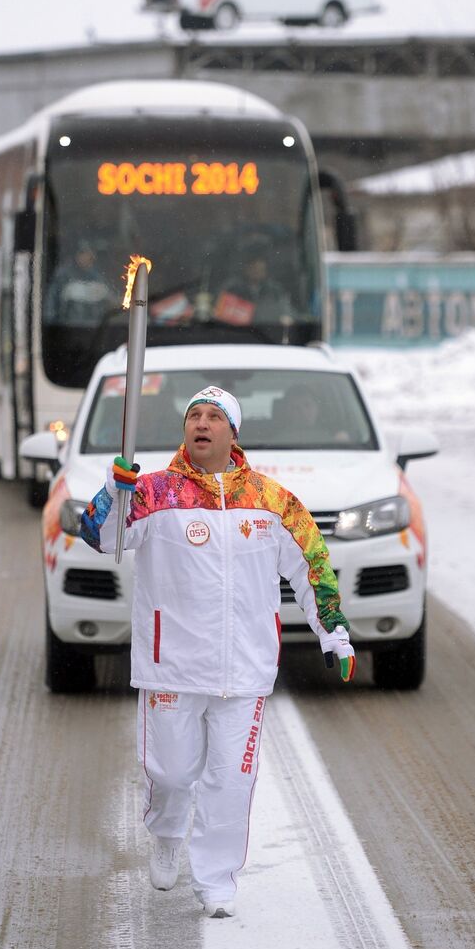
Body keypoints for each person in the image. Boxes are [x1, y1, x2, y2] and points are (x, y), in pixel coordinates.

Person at [80, 385, 354, 919]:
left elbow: (313, 568)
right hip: (171, 667)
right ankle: (167, 831)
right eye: (193, 416)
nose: (201, 423)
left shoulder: (273, 502)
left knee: (232, 780)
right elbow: (98, 536)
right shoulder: (153, 492)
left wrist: (334, 634)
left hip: (246, 670)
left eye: (214, 416)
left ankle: (217, 881)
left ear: (234, 432)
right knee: (172, 774)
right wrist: (114, 493)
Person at [214, 235, 289, 327]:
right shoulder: (231, 289)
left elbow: (288, 314)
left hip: (269, 337)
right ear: (245, 267)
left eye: (260, 267)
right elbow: (219, 318)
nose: (256, 270)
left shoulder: (275, 291)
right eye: (252, 265)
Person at [45, 241, 112, 326]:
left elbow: (106, 301)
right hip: (69, 328)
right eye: (87, 254)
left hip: (93, 329)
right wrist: (51, 327)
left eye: (92, 255)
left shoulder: (96, 277)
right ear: (78, 255)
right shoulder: (63, 276)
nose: (91, 257)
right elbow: (51, 305)